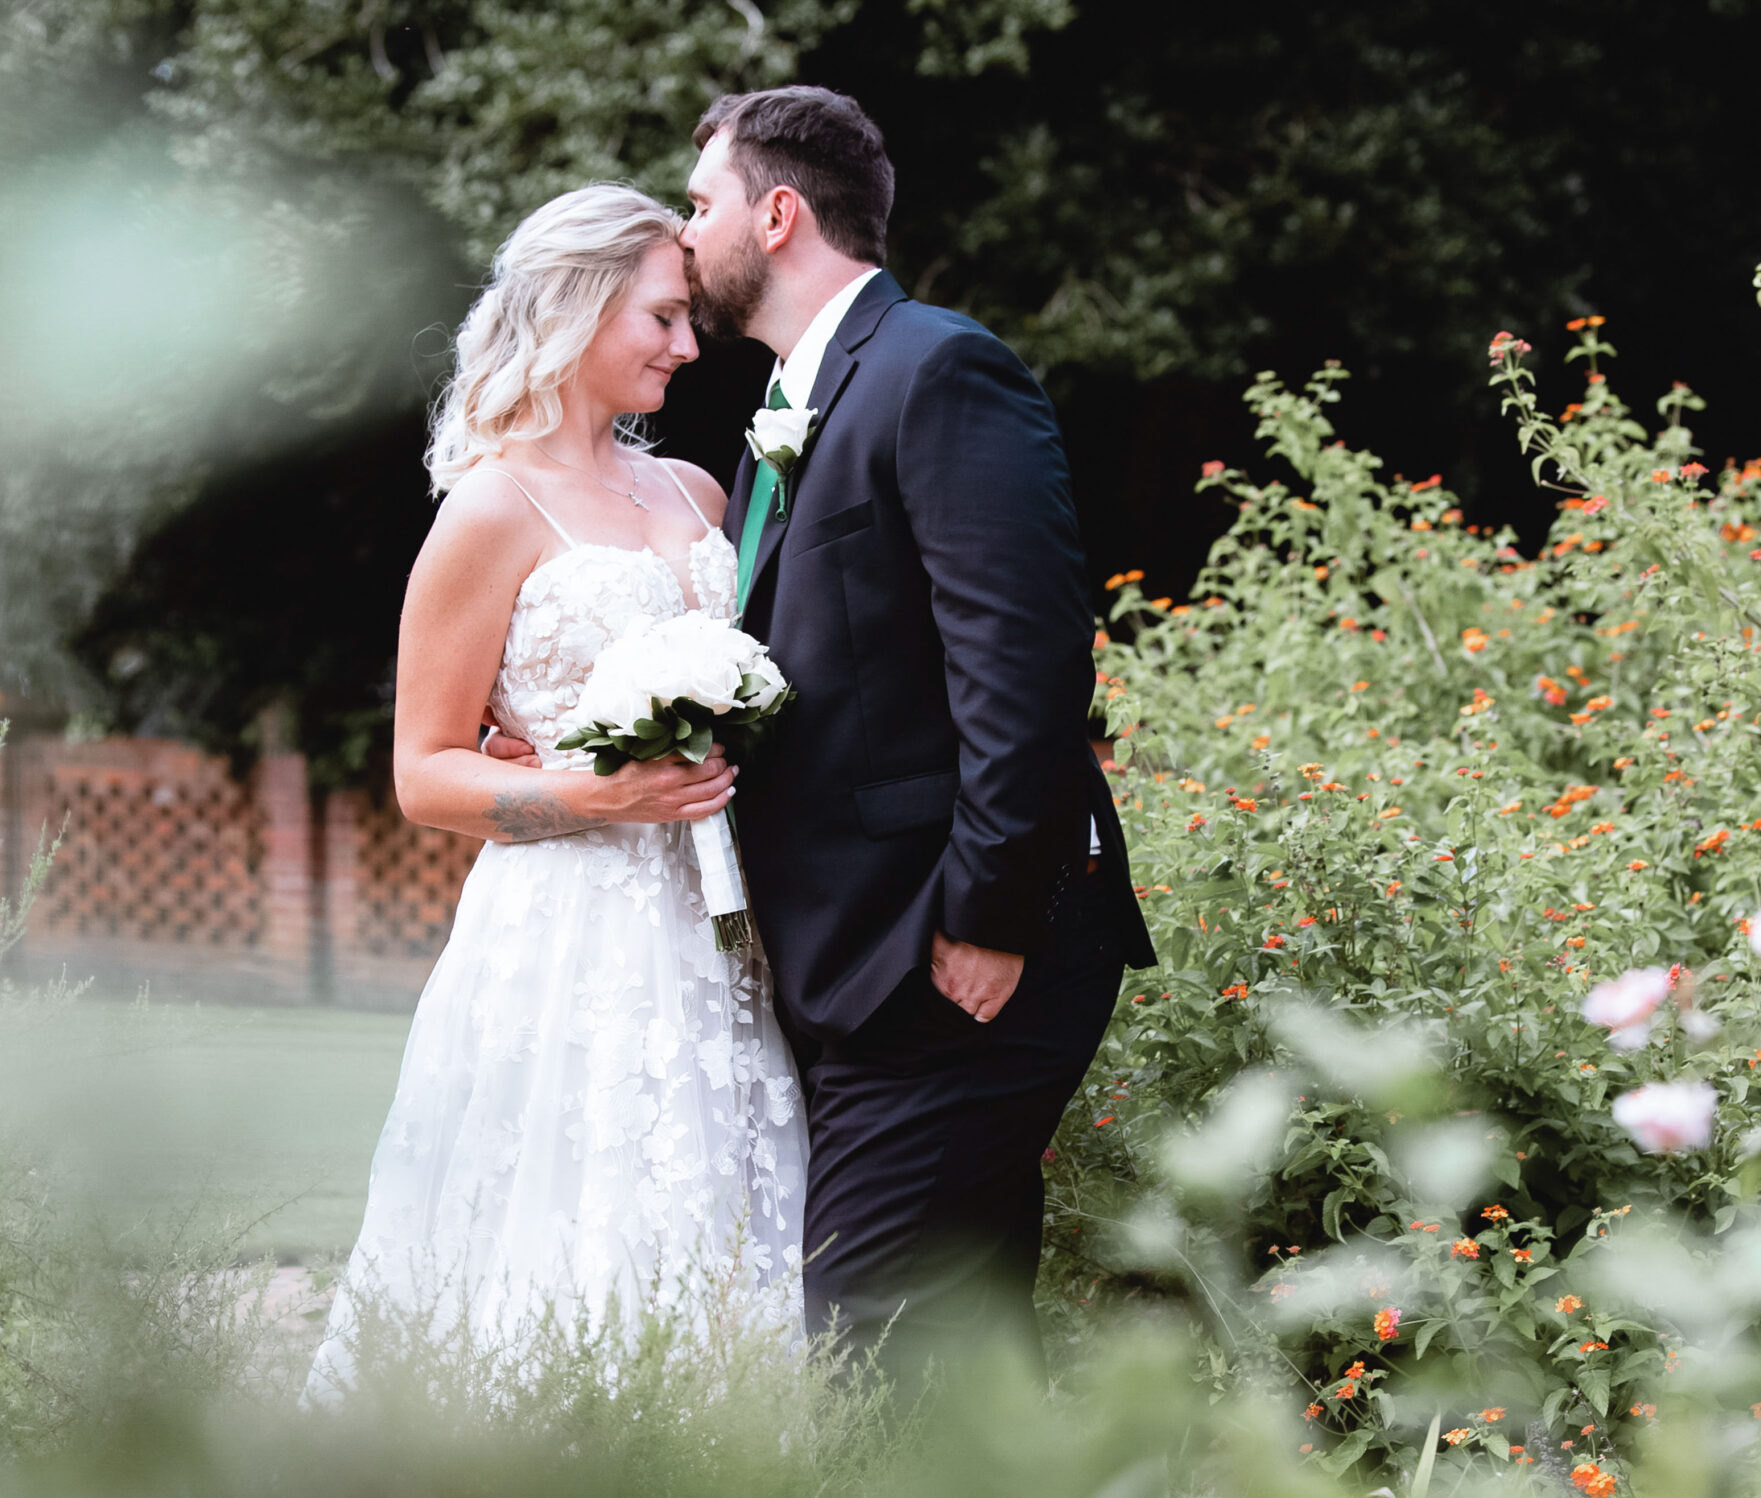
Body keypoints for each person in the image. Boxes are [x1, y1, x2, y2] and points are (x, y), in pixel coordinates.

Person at [304, 184, 806, 1400]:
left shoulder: (695, 493)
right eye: (663, 317)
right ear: (578, 308)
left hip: (726, 924)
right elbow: (424, 774)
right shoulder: (489, 510)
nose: (689, 346)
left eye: (688, 319)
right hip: (569, 939)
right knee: (575, 1238)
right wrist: (593, 799)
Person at [683, 87, 1155, 1369]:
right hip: (855, 966)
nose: (686, 237)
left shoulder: (936, 368)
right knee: (952, 1353)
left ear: (777, 215)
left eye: (701, 203)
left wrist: (987, 915)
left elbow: (1027, 663)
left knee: (860, 1342)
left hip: (951, 960)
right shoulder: (789, 409)